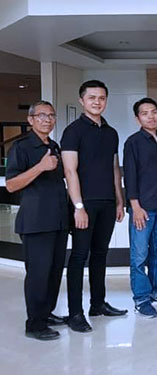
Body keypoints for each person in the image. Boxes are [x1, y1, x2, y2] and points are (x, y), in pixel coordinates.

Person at [61, 80, 126, 332]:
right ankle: (75, 313)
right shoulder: (73, 131)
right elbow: (70, 170)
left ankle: (98, 304)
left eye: (101, 98)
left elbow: (114, 168)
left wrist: (119, 200)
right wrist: (78, 206)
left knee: (100, 254)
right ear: (82, 101)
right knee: (79, 256)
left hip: (108, 203)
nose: (97, 102)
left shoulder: (111, 132)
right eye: (92, 98)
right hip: (84, 205)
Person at [6, 101, 69, 340]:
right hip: (36, 222)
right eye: (41, 115)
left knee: (54, 272)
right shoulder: (21, 147)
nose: (47, 119)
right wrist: (40, 167)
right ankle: (34, 323)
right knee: (38, 274)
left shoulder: (54, 145)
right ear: (31, 120)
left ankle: (46, 313)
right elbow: (12, 184)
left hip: (59, 221)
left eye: (51, 115)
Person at [123, 98, 157, 318]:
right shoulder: (133, 142)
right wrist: (135, 206)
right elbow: (130, 175)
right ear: (138, 118)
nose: (150, 116)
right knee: (139, 257)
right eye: (144, 113)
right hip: (143, 209)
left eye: (154, 112)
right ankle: (141, 298)